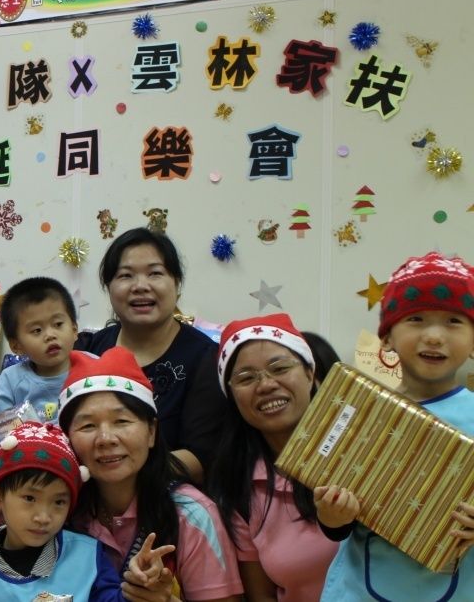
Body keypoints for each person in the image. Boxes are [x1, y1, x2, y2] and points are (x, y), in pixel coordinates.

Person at [315, 252, 474, 601]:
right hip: (359, 591)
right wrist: (332, 514)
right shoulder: (358, 412)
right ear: (386, 338)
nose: (434, 336)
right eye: (415, 319)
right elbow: (337, 524)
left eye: (453, 321)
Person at [59, 347, 244, 602]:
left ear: (151, 432)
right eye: (88, 425)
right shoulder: (62, 510)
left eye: (122, 421)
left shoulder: (191, 515)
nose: (106, 439)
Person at [0, 421, 175, 601]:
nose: (44, 517)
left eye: (59, 502)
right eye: (30, 498)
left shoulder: (87, 556)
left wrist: (139, 589)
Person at [77, 228, 224, 482]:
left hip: (170, 504)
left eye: (155, 273)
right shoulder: (89, 350)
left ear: (176, 284)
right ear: (109, 288)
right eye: (125, 275)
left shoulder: (205, 359)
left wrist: (121, 474)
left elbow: (202, 456)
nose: (140, 286)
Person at [208, 314, 337, 602]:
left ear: (310, 374)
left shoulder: (365, 451)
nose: (265, 385)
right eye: (246, 378)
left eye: (279, 368)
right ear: (231, 394)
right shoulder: (239, 490)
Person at [0, 276, 82, 421]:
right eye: (37, 330)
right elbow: (1, 433)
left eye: (58, 324)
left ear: (74, 329)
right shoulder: (11, 380)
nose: (50, 335)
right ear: (17, 346)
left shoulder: (94, 368)